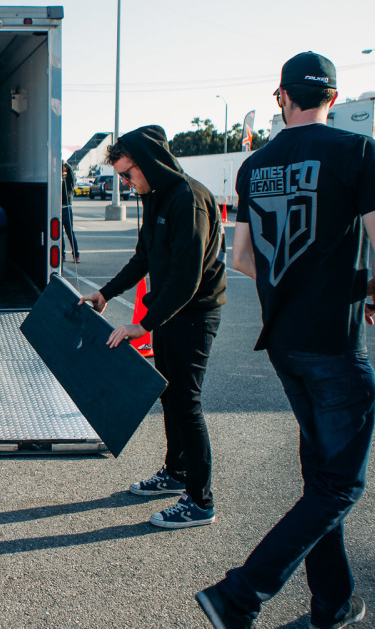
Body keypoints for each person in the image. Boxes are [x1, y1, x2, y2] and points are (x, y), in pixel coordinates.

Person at [196, 52, 375, 629]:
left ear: (281, 97)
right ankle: (239, 594)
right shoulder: (358, 151)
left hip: (284, 341)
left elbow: (242, 257)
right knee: (341, 486)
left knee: (321, 481)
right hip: (336, 343)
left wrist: (289, 282)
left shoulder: (254, 165)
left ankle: (332, 603)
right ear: (332, 98)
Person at [79, 125, 226, 529]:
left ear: (149, 163)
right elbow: (143, 257)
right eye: (121, 177)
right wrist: (105, 293)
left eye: (128, 174)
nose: (126, 183)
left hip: (195, 313)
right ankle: (176, 472)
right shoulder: (155, 197)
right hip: (170, 313)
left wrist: (142, 325)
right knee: (170, 395)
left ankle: (200, 501)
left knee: (186, 403)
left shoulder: (188, 199)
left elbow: (186, 277)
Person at [61, 161, 80, 262]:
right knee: (59, 234)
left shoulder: (68, 182)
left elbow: (72, 176)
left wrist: (66, 164)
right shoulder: (58, 181)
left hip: (67, 208)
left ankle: (76, 255)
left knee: (70, 233)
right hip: (59, 209)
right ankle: (62, 254)